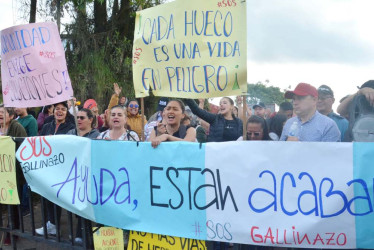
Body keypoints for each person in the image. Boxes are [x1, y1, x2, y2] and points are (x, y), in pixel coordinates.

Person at [36, 102, 76, 235]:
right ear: (53, 111)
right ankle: (51, 224)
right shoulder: (47, 126)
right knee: (48, 196)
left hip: (64, 168)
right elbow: (40, 144)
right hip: (48, 167)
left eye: (63, 109)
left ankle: (75, 231)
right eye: (57, 109)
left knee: (64, 199)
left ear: (67, 112)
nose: (59, 111)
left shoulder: (72, 126)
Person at [0, 105, 27, 245]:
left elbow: (24, 150)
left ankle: (14, 232)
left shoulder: (17, 128)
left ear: (11, 116)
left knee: (13, 203)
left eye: (2, 113)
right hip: (0, 173)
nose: (0, 115)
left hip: (13, 174)